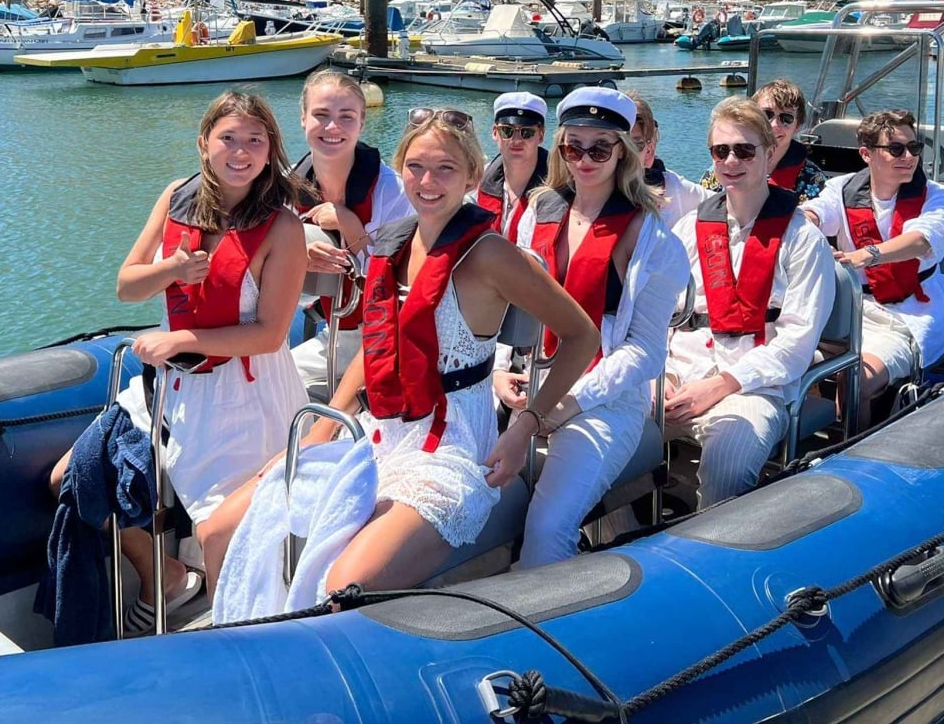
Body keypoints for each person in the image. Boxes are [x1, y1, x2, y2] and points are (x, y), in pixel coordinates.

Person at [203, 108, 599, 592]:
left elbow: (583, 336)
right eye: (415, 167)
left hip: (448, 446)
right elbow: (375, 351)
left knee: (343, 586)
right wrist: (322, 430)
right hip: (375, 430)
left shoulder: (491, 254)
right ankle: (239, 635)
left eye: (445, 168)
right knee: (216, 532)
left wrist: (525, 427)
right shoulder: (392, 245)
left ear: (472, 176)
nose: (427, 182)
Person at [50, 90, 308, 630]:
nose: (241, 152)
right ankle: (163, 574)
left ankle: (231, 631)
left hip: (245, 394)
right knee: (72, 477)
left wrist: (179, 339)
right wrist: (172, 270)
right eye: (228, 138)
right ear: (203, 144)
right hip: (172, 387)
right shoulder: (175, 197)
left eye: (255, 141)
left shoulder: (283, 228)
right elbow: (127, 286)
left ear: (270, 150)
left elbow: (269, 335)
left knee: (218, 532)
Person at [501, 87, 692, 568]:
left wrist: (568, 402)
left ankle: (550, 607)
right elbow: (507, 308)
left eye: (600, 149)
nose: (585, 160)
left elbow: (646, 351)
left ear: (623, 152)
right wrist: (501, 372)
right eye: (574, 148)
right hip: (529, 381)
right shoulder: (535, 215)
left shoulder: (653, 241)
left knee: (547, 531)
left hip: (606, 402)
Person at [666, 98, 835, 506]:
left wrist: (722, 384)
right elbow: (657, 317)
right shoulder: (688, 229)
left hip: (754, 387)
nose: (731, 161)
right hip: (677, 374)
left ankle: (707, 543)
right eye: (721, 151)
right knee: (596, 437)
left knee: (728, 463)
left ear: (769, 151)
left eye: (744, 150)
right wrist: (659, 377)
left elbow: (796, 344)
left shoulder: (802, 239)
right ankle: (626, 533)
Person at [802, 109, 944, 428]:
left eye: (914, 148)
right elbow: (815, 213)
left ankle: (852, 448)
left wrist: (867, 254)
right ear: (866, 154)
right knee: (785, 362)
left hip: (907, 316)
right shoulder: (841, 189)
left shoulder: (937, 197)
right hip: (848, 310)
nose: (909, 157)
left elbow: (920, 241)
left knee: (856, 381)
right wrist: (807, 229)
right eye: (896, 149)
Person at [288, 69, 414, 397]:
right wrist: (297, 255)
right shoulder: (287, 188)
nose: (333, 127)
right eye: (321, 115)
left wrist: (349, 224)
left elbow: (403, 285)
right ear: (303, 119)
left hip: (388, 337)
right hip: (334, 332)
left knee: (280, 387)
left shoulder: (393, 192)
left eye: (346, 117)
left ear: (362, 123)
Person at [700, 79, 826, 202]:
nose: (774, 125)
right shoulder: (721, 171)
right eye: (766, 115)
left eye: (786, 118)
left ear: (797, 126)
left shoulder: (813, 180)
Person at [474, 91, 549, 243]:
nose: (516, 140)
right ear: (495, 133)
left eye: (527, 132)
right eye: (507, 131)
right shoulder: (476, 181)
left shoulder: (559, 187)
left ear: (541, 135)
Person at [629, 93, 705, 225]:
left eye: (634, 145)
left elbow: (722, 203)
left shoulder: (675, 189)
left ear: (649, 150)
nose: (623, 152)